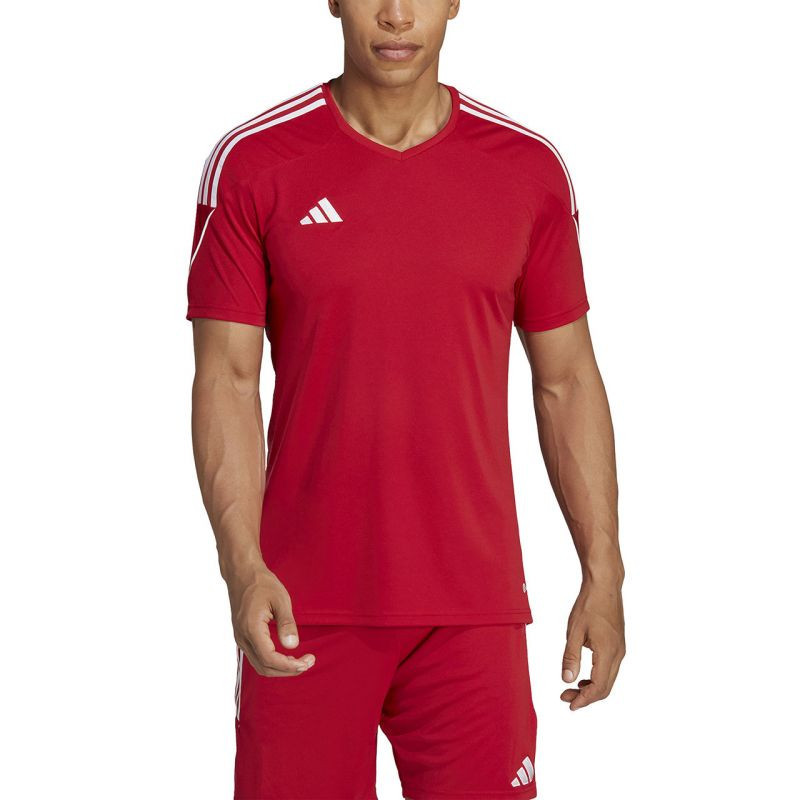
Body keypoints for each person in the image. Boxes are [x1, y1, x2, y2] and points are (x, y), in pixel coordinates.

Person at [187, 1, 625, 797]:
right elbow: (227, 381)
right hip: (301, 605)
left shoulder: (526, 170)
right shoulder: (254, 164)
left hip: (474, 606)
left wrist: (605, 572)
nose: (396, 15)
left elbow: (565, 379)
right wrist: (242, 568)